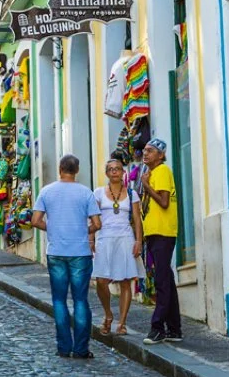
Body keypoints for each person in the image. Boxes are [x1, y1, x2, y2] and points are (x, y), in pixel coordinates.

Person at [30, 154, 103, 359]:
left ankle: (63, 347)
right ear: (76, 170)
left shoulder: (47, 191)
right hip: (80, 252)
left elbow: (35, 220)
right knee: (80, 300)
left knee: (59, 300)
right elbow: (97, 224)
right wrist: (84, 231)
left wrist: (52, 229)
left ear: (60, 169)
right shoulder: (85, 193)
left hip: (56, 252)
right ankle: (81, 349)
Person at [138, 138, 183, 346]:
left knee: (161, 281)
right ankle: (174, 329)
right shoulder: (152, 173)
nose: (145, 154)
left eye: (150, 151)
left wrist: (146, 186)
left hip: (163, 232)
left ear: (161, 155)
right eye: (145, 150)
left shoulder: (162, 171)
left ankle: (158, 328)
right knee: (166, 279)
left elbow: (164, 202)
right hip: (154, 232)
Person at [93, 157, 144, 335]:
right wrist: (91, 238)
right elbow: (92, 217)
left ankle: (122, 323)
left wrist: (139, 241)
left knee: (125, 281)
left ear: (123, 172)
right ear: (106, 173)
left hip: (125, 239)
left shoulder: (132, 194)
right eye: (111, 169)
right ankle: (108, 315)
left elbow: (137, 219)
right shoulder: (98, 193)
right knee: (101, 280)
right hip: (105, 238)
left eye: (118, 168)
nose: (115, 171)